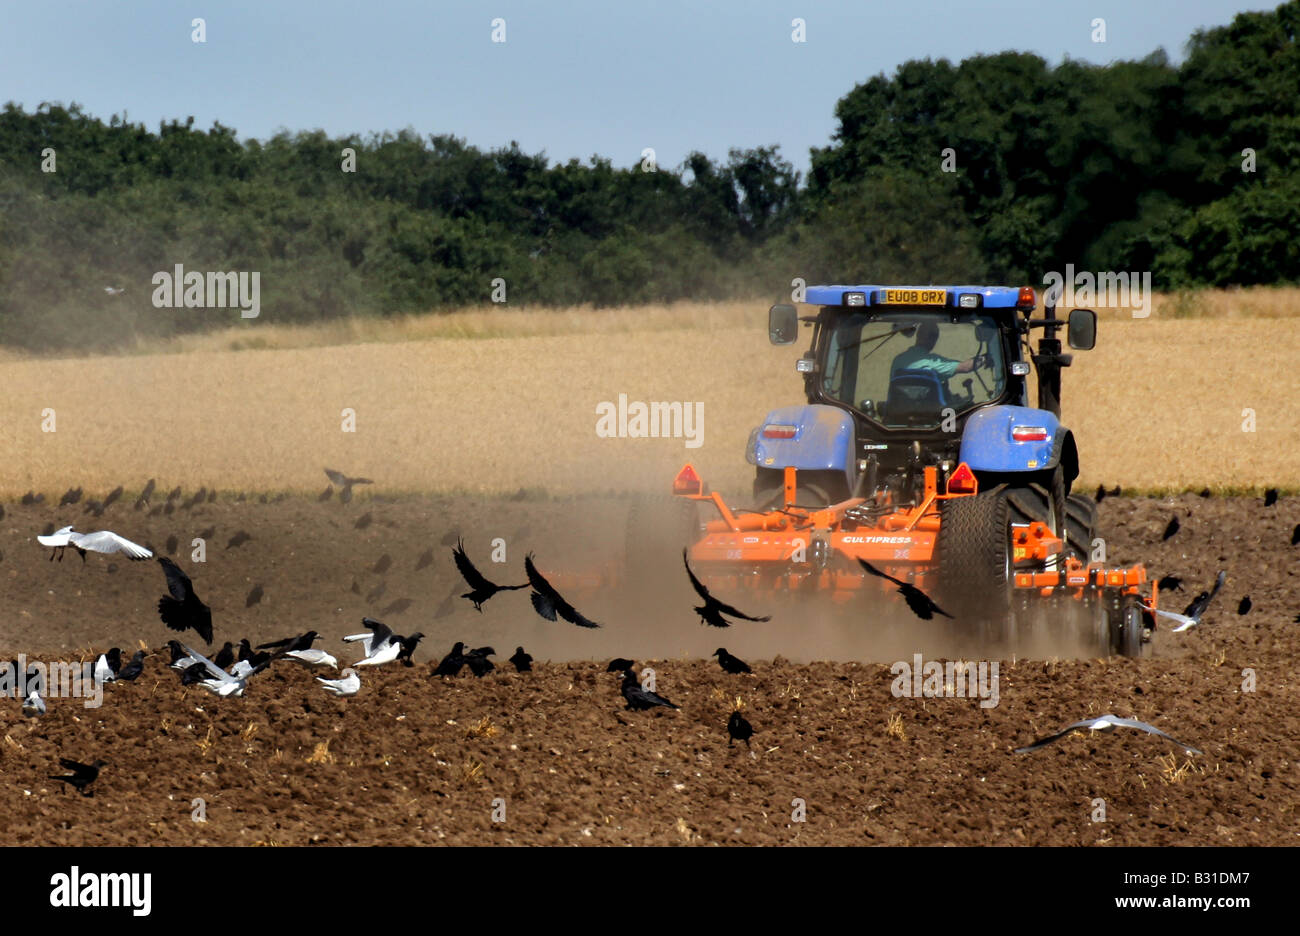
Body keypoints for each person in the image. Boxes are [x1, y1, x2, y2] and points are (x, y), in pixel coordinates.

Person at [889, 322, 981, 379]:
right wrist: (985, 358)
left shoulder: (897, 360)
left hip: (897, 409)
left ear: (918, 335)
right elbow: (965, 367)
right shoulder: (932, 363)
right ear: (933, 339)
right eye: (934, 336)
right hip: (929, 410)